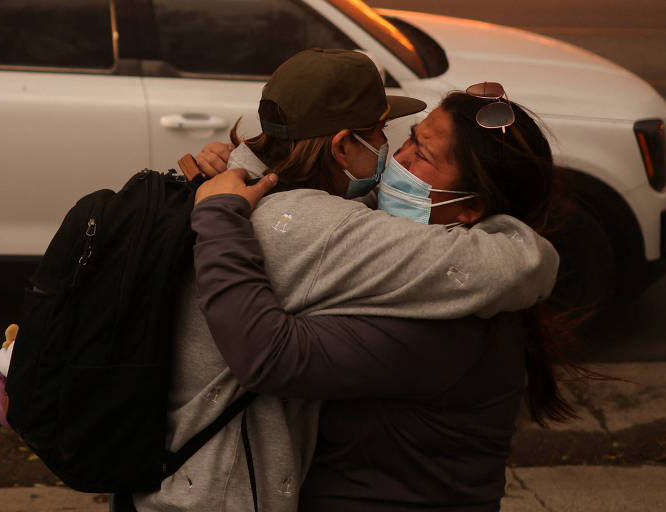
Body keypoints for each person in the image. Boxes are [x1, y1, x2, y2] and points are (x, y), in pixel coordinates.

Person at [130, 49, 559, 512]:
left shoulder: (452, 317)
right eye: (398, 137)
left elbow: (276, 350)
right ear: (340, 146)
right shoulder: (343, 236)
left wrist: (228, 182)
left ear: (472, 205)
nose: (397, 157)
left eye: (422, 154)